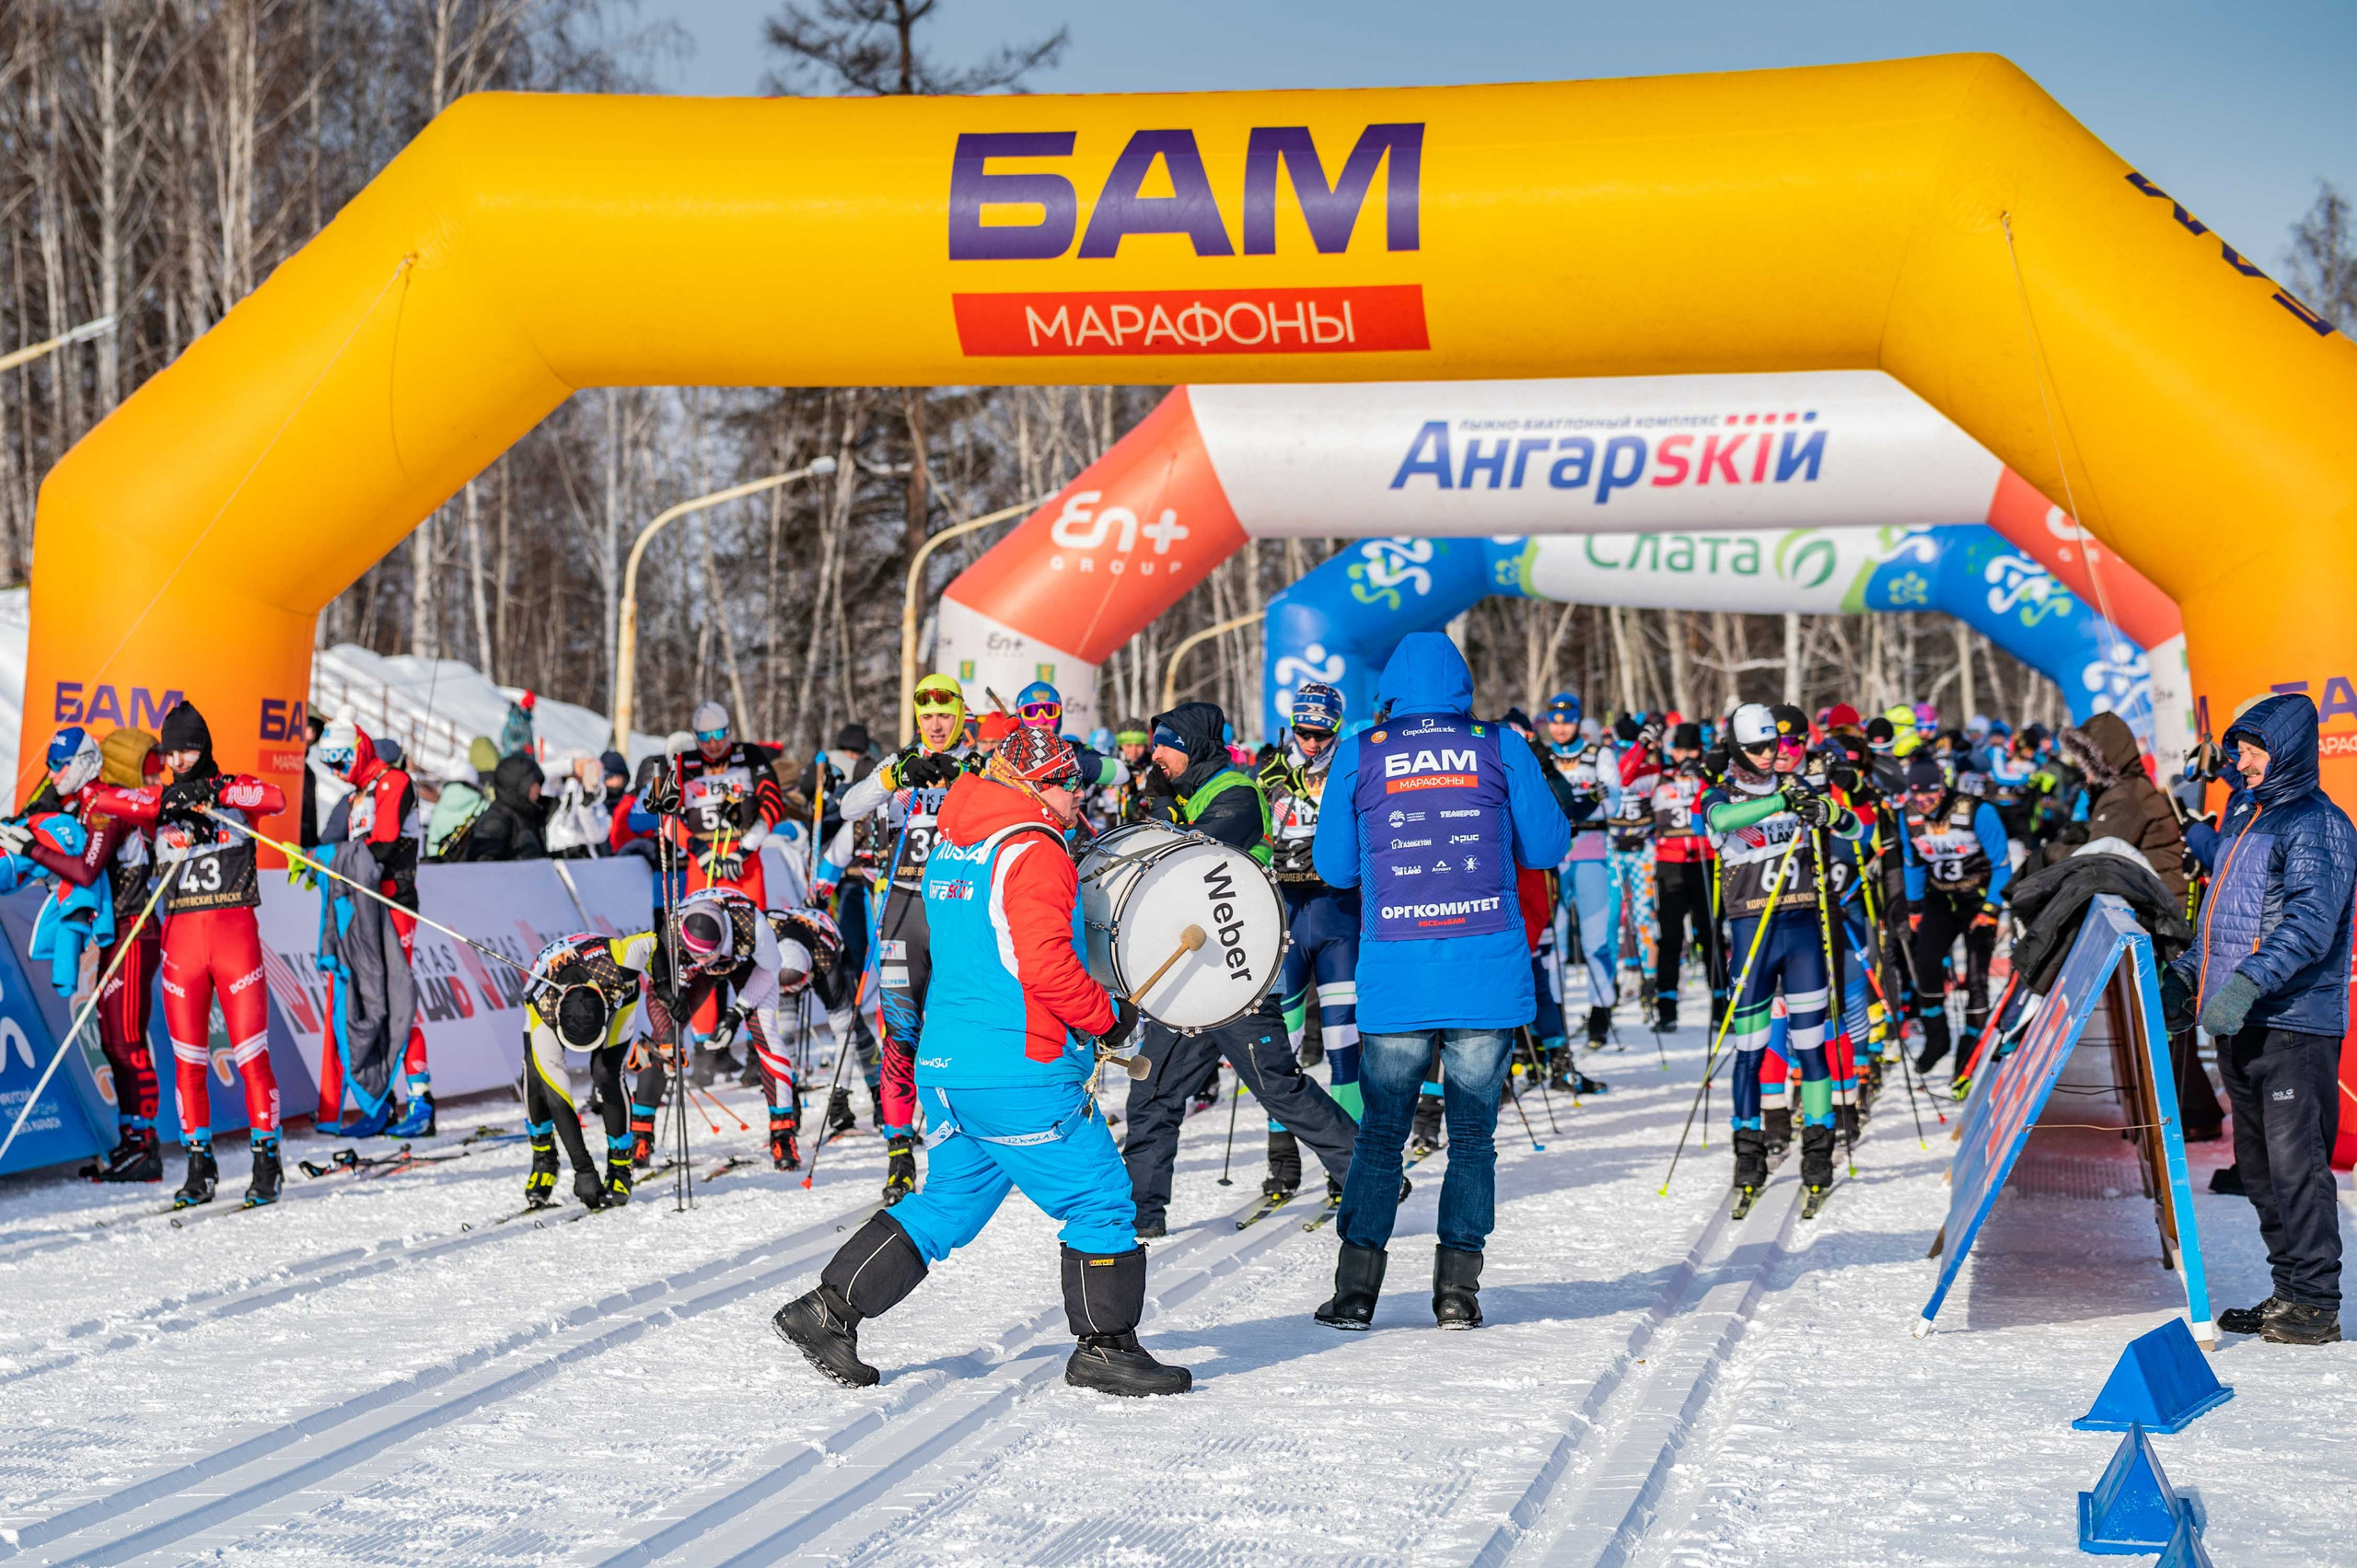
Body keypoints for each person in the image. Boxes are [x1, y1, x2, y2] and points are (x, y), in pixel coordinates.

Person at [772, 727, 1191, 1397]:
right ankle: (1106, 1347)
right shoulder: (1032, 849)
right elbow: (1046, 965)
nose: (1075, 793)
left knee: (947, 1204)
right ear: (1033, 784)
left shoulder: (953, 841)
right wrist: (1108, 1015)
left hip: (949, 1063)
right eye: (1065, 781)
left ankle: (826, 1310)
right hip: (1018, 1066)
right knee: (1100, 1196)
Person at [1307, 633, 1571, 1330]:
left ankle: (1356, 1291)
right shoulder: (1498, 744)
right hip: (1483, 970)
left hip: (1398, 969)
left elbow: (1334, 866)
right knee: (1473, 1137)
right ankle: (1458, 1290)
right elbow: (1546, 846)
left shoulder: (1361, 750)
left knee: (1380, 1134)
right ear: (1461, 683)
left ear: (1390, 686)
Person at [1120, 701, 1360, 1236]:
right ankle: (1142, 1215)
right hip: (1188, 982)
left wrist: (1159, 813)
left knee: (1278, 1089)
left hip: (1237, 978)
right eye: (1155, 744)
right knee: (1153, 1093)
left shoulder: (1238, 793)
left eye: (1167, 745)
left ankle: (1368, 1177)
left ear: (1196, 748)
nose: (1155, 754)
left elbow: (1186, 859)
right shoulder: (1182, 794)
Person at [2163, 693, 2353, 1346]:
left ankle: (2316, 1303)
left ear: (2285, 750)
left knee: (2296, 1163)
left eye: (2249, 748)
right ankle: (2289, 1289)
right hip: (2241, 1020)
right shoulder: (2249, 813)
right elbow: (2223, 918)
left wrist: (2244, 983)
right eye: (2237, 747)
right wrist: (2187, 974)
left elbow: (2308, 925)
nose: (2237, 760)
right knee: (2260, 1166)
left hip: (2294, 1021)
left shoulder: (2317, 824)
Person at [85, 703, 288, 1209]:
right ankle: (200, 1165)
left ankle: (267, 1160)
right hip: (182, 949)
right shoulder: (160, 799)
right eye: (171, 751)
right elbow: (107, 801)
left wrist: (210, 792)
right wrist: (171, 800)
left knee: (251, 1057)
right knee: (188, 1063)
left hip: (235, 941)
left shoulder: (234, 793)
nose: (179, 759)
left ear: (206, 748)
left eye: (189, 749)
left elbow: (276, 796)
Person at [1701, 702, 1862, 1216]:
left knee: (1813, 1048)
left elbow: (1854, 829)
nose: (1769, 756)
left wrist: (1828, 811)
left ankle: (1818, 1156)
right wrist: (1779, 805)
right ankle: (1748, 1160)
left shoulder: (1799, 787)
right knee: (1750, 1053)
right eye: (1756, 748)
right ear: (1736, 749)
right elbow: (1723, 820)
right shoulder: (1720, 793)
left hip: (1801, 934)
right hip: (1752, 933)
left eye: (1773, 746)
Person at [820, 671, 974, 1203]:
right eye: (927, 716)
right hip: (902, 912)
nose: (936, 726)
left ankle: (962, 1141)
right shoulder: (898, 764)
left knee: (958, 1031)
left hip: (959, 913)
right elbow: (848, 808)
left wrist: (968, 779)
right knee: (900, 1037)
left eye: (945, 715)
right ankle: (898, 1154)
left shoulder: (977, 765)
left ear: (959, 715)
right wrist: (895, 779)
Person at [7, 726, 166, 1180]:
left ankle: (145, 1145)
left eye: (60, 765)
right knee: (112, 1038)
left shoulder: (106, 804)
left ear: (84, 764)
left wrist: (33, 848)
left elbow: (84, 868)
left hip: (134, 927)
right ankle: (130, 1139)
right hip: (115, 931)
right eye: (51, 763)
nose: (53, 772)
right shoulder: (79, 804)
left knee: (124, 1038)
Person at [1260, 681, 1364, 1196]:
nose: (1314, 742)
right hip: (1286, 918)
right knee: (1286, 1050)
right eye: (1305, 732)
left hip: (1339, 917)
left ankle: (1347, 1168)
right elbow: (1251, 840)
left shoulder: (1351, 768)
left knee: (1346, 1047)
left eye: (1324, 733)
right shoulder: (1269, 772)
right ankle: (1283, 1162)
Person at [313, 713, 435, 1136]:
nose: (335, 771)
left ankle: (421, 1101)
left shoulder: (394, 782)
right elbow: (337, 846)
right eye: (328, 765)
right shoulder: (354, 797)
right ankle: (382, 1103)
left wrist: (334, 855)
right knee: (370, 1004)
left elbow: (381, 843)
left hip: (395, 903)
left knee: (397, 997)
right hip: (362, 909)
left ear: (358, 749)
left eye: (339, 761)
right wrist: (311, 858)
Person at [1896, 753, 2014, 1078]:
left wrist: (1991, 909)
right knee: (1925, 963)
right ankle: (1937, 1037)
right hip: (1939, 899)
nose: (1923, 801)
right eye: (1916, 795)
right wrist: (1915, 908)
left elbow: (2003, 867)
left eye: (1930, 794)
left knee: (1976, 977)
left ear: (1943, 787)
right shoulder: (1908, 817)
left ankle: (1971, 1047)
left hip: (1977, 899)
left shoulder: (1977, 811)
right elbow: (1914, 863)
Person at [1541, 691, 1619, 1046]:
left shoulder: (1598, 754)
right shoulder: (1544, 756)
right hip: (1555, 857)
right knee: (1553, 941)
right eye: (1555, 722)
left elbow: (1614, 801)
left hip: (1590, 852)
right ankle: (1554, 1017)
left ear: (1577, 721)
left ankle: (1601, 1013)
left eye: (1567, 721)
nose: (1560, 729)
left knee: (1596, 941)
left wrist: (1599, 796)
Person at [1650, 722, 1718, 1032]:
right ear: (1672, 751)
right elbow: (1625, 779)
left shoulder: (1710, 778)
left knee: (1711, 935)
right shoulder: (1659, 777)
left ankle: (1720, 1006)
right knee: (1671, 937)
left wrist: (1703, 776)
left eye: (1692, 750)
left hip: (1705, 861)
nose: (1686, 756)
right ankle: (1666, 1009)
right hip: (1671, 864)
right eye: (1681, 750)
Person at [455, 752, 549, 862]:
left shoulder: (525, 815)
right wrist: (519, 868)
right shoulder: (496, 820)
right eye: (533, 785)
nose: (539, 790)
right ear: (517, 786)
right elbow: (482, 867)